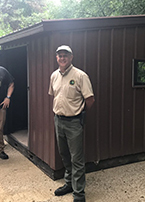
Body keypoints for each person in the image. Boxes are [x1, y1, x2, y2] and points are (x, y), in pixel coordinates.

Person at [48, 45, 95, 202]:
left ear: (71, 57)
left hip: (74, 122)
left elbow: (90, 99)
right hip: (58, 120)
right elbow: (53, 95)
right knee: (64, 155)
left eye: (65, 55)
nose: (62, 58)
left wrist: (80, 114)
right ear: (56, 58)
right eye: (60, 55)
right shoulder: (54, 75)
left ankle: (79, 194)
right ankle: (69, 184)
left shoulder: (80, 76)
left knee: (77, 158)